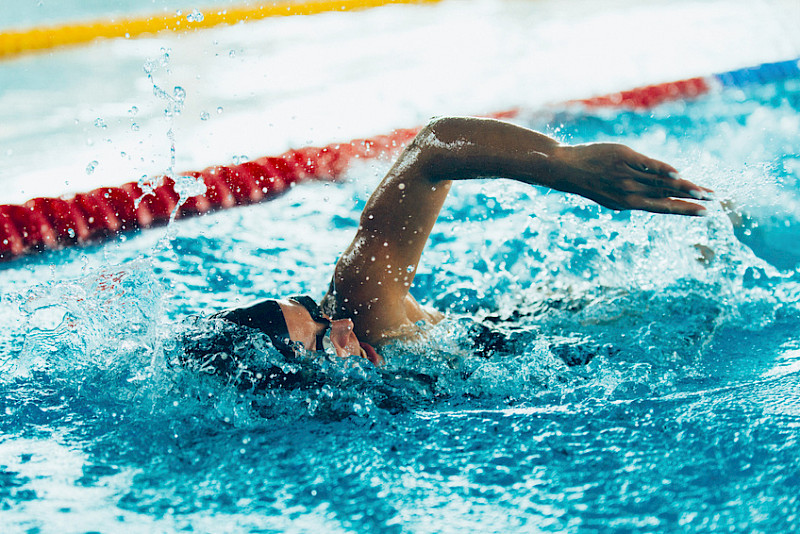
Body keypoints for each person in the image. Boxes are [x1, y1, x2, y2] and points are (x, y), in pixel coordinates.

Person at [185, 116, 712, 376]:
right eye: (324, 342)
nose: (340, 325)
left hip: (529, 337)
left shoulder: (361, 309)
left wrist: (563, 163)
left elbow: (432, 149)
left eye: (313, 311)